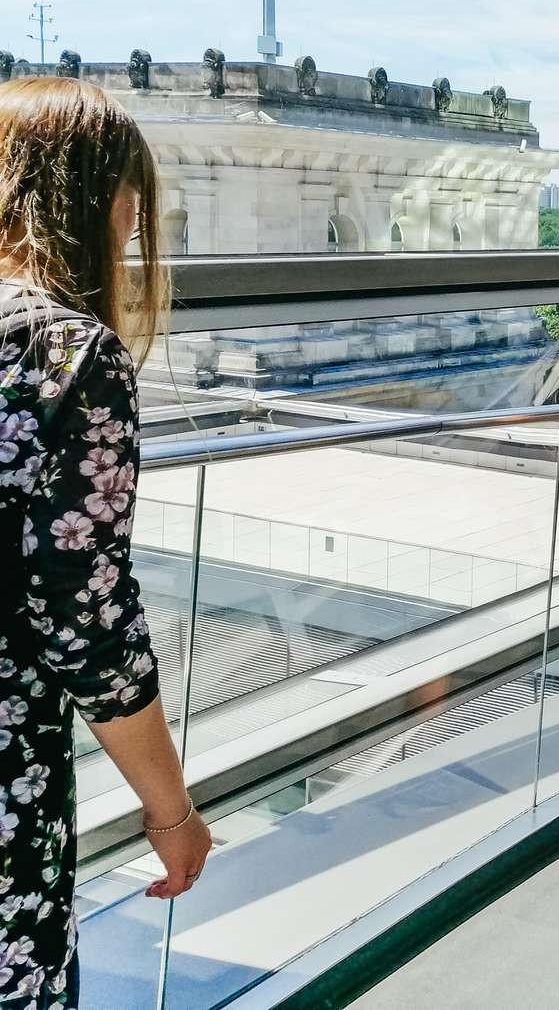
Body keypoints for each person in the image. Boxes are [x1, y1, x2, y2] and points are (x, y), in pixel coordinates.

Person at [0, 78, 211, 1005]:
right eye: (134, 196)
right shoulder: (66, 354)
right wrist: (172, 812)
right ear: (97, 198)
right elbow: (82, 617)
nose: (135, 224)